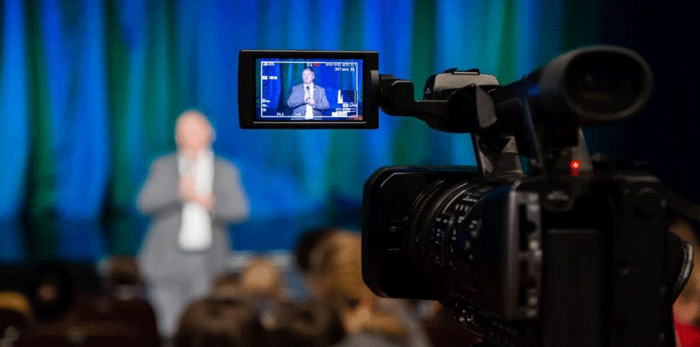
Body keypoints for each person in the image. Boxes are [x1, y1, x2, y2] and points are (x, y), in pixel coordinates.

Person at [136, 109, 250, 343]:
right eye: (182, 132)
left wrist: (211, 204)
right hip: (166, 260)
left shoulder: (226, 170)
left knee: (203, 328)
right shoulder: (163, 166)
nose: (188, 137)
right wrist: (177, 193)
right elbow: (144, 203)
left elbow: (240, 211)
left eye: (195, 130)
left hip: (207, 263)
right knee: (167, 330)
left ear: (210, 133)